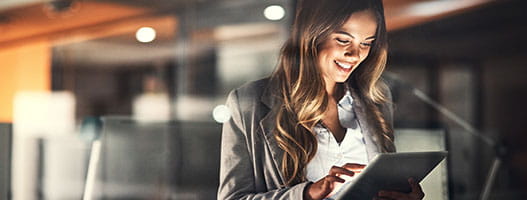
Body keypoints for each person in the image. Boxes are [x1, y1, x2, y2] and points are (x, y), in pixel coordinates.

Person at [218, 0, 425, 199]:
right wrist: (307, 194)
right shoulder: (249, 102)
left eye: (366, 43)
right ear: (313, 35)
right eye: (343, 40)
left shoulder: (377, 100)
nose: (355, 55)